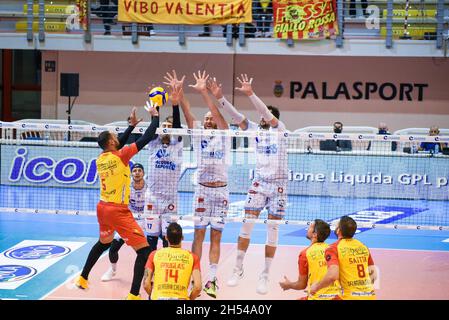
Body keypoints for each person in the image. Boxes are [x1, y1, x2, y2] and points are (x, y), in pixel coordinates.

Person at [208, 74, 288, 295]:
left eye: (266, 117)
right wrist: (220, 98)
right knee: (247, 225)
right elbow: (236, 117)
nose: (262, 118)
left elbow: (265, 113)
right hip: (259, 183)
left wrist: (251, 93)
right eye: (261, 117)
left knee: (272, 230)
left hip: (279, 186)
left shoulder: (281, 130)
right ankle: (237, 268)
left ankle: (265, 274)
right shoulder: (254, 130)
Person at [75, 104, 159, 300]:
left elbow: (117, 144)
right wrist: (155, 117)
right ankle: (133, 295)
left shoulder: (101, 159)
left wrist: (130, 126)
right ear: (112, 142)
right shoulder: (121, 156)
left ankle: (83, 278)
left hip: (102, 208)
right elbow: (146, 138)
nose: (117, 138)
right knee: (145, 252)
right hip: (117, 211)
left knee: (104, 242)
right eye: (115, 136)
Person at [165, 70, 231, 299]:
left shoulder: (225, 133)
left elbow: (216, 111)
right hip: (202, 190)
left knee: (216, 237)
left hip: (221, 191)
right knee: (198, 236)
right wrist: (180, 94)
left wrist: (204, 92)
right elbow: (186, 111)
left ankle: (212, 281)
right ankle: (194, 278)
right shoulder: (197, 133)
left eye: (211, 118)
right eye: (206, 120)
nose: (209, 120)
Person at [143, 85, 184, 255]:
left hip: (170, 200)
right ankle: (149, 271)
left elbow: (177, 126)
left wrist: (175, 105)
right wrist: (156, 107)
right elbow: (154, 127)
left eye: (169, 126)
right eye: (163, 126)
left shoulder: (178, 144)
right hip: (152, 198)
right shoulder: (153, 143)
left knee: (169, 240)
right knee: (151, 240)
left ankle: (165, 267)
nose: (166, 129)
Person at [309, 216, 377, 300]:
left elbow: (332, 276)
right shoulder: (363, 246)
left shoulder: (333, 248)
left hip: (349, 297)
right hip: (370, 295)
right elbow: (374, 275)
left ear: (338, 230)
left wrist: (316, 287)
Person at [101, 162, 148, 282]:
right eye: (135, 171)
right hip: (128, 221)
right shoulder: (126, 187)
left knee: (144, 250)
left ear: (143, 173)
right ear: (132, 174)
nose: (137, 173)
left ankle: (148, 273)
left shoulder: (149, 187)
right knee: (113, 248)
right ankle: (112, 269)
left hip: (145, 220)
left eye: (139, 170)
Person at [279, 219, 341, 300]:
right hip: (337, 296)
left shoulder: (305, 254)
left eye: (310, 227)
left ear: (314, 234)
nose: (307, 228)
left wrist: (288, 285)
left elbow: (301, 285)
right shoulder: (334, 249)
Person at [144, 222, 202, 300]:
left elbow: (146, 284)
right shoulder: (193, 257)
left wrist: (153, 296)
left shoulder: (154, 254)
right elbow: (198, 287)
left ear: (166, 237)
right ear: (182, 237)